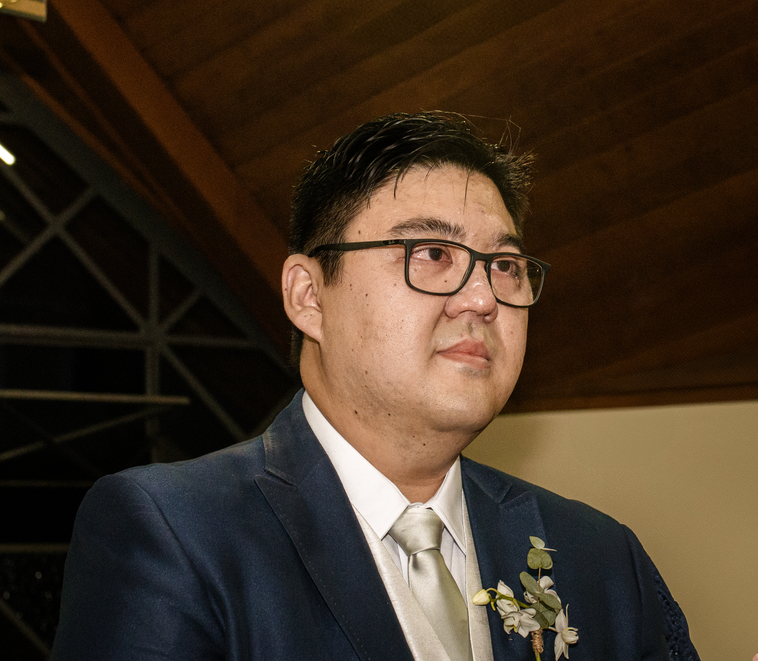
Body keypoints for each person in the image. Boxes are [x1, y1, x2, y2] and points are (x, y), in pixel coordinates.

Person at [50, 112, 697, 660]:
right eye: (433, 254)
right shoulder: (173, 536)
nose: (481, 298)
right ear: (309, 296)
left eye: (505, 265)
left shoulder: (601, 560)